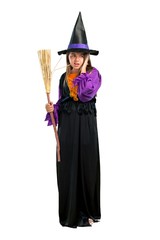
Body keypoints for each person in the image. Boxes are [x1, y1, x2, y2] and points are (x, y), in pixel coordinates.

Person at [45, 12, 102, 228]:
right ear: (68, 57)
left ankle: (88, 211)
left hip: (86, 128)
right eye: (72, 55)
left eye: (80, 55)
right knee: (67, 166)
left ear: (87, 57)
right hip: (68, 127)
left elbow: (86, 94)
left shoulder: (93, 74)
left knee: (86, 165)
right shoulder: (62, 78)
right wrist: (53, 108)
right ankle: (70, 213)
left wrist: (78, 75)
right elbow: (64, 102)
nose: (75, 59)